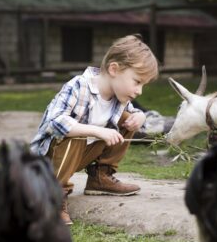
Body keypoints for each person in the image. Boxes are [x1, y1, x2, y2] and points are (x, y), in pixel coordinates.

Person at [30, 34, 158, 225]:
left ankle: (100, 176)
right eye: (137, 82)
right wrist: (96, 131)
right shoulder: (78, 86)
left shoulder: (118, 97)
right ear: (114, 69)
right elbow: (54, 122)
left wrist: (140, 117)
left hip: (78, 156)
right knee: (75, 132)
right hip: (47, 160)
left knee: (129, 119)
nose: (139, 91)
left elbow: (135, 113)